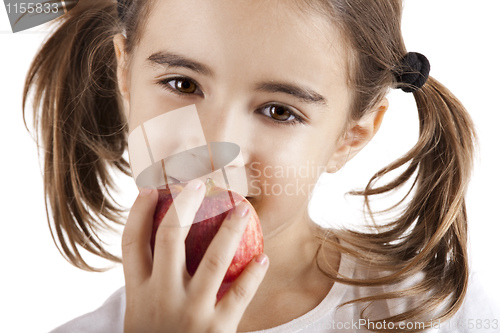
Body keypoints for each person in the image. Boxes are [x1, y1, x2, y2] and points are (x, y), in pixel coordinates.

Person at [21, 0, 498, 332]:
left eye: (279, 111)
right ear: (124, 72)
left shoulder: (433, 314)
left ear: (351, 136)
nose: (215, 146)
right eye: (183, 84)